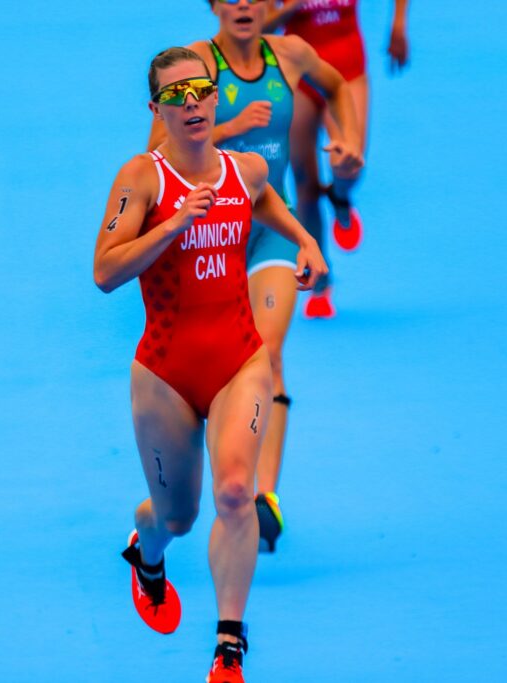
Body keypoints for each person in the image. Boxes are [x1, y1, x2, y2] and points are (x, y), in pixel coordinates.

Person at [95, 47, 327, 683]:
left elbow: (269, 201)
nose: (191, 103)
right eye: (175, 96)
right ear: (157, 109)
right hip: (165, 374)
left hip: (238, 361)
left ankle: (228, 647)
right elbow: (105, 272)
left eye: (200, 90)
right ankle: (147, 551)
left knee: (234, 491)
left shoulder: (244, 169)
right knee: (177, 516)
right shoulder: (141, 179)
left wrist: (306, 240)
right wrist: (171, 227)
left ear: (214, 94)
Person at [149, 0, 363, 553]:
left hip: (269, 228)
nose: (244, 4)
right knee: (207, 362)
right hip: (209, 239)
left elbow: (339, 86)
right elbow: (155, 155)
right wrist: (229, 127)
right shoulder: (196, 63)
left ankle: (262, 494)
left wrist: (346, 142)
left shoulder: (290, 55)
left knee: (264, 354)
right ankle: (208, 481)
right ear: (215, 6)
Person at [266, 0, 410, 318]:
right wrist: (290, 7)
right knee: (304, 184)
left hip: (347, 71)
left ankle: (341, 197)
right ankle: (321, 278)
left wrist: (398, 23)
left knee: (350, 160)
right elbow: (260, 27)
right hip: (299, 78)